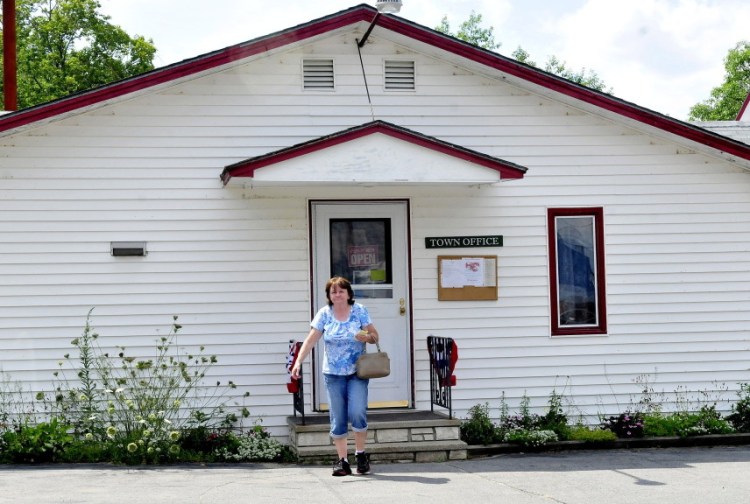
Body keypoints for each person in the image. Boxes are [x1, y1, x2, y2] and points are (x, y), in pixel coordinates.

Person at [291, 276, 380, 476]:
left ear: (349, 293)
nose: (337, 294)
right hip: (333, 374)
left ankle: (360, 454)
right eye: (333, 292)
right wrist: (298, 362)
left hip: (358, 372)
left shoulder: (359, 311)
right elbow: (310, 339)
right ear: (329, 296)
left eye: (341, 291)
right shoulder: (324, 314)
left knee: (357, 412)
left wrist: (366, 336)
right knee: (338, 417)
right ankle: (342, 461)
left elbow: (375, 336)